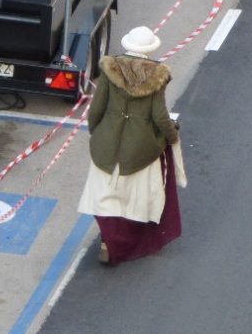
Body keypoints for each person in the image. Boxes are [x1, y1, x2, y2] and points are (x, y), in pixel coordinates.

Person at [78, 26, 182, 266]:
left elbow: (96, 110)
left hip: (107, 145)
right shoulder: (157, 76)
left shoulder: (109, 69)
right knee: (134, 198)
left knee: (104, 197)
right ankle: (126, 240)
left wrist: (99, 133)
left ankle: (107, 239)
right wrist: (172, 136)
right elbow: (159, 116)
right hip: (140, 150)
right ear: (150, 48)